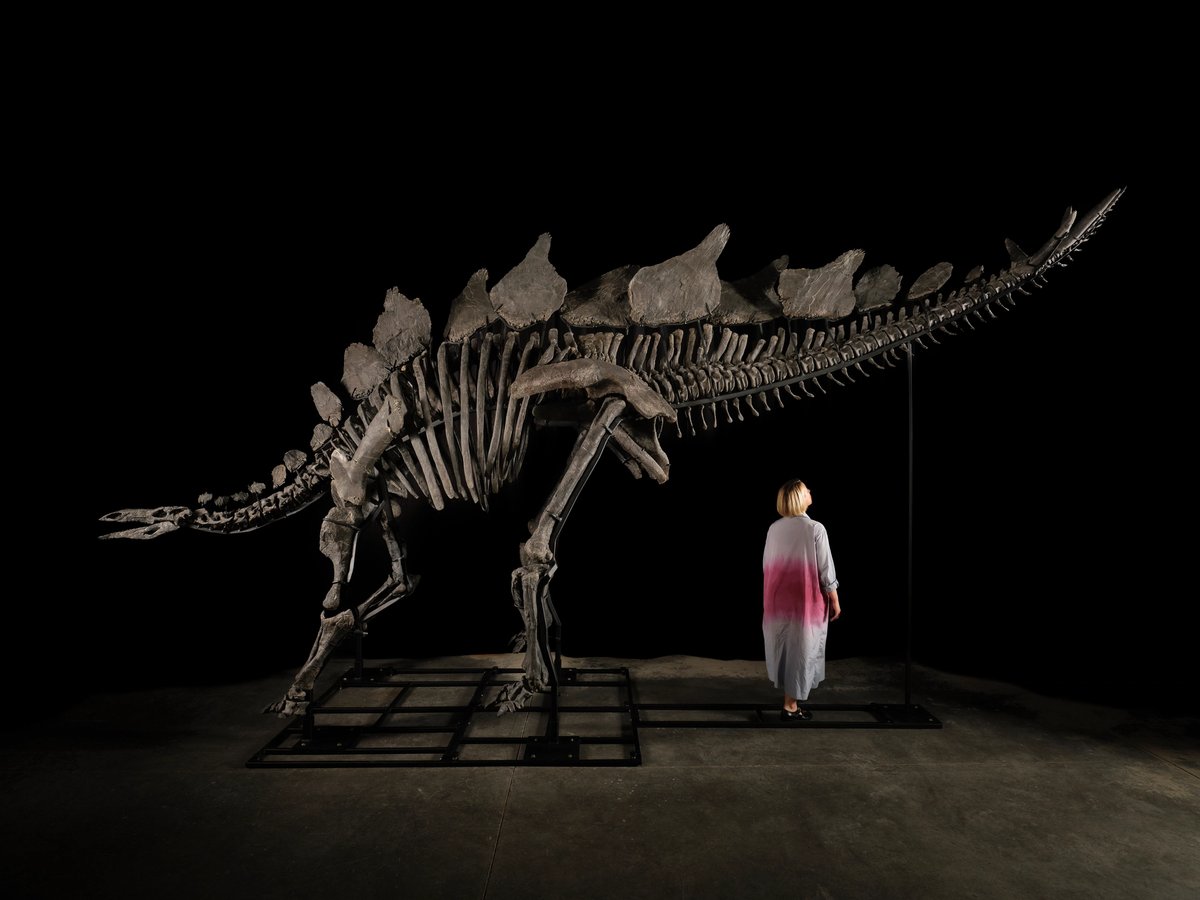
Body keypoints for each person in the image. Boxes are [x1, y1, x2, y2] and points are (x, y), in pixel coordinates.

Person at [763, 479, 841, 722]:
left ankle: (791, 701)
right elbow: (826, 571)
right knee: (802, 650)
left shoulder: (774, 528)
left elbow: (767, 566)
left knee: (785, 648)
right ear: (799, 496)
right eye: (806, 489)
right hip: (805, 602)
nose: (810, 491)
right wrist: (835, 600)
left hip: (777, 602)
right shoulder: (815, 529)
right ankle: (790, 707)